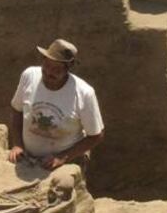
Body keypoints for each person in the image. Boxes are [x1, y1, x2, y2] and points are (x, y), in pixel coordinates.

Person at [8, 39, 105, 170]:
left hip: (66, 161)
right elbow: (17, 110)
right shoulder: (29, 76)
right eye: (47, 65)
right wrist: (18, 144)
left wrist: (62, 157)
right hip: (28, 157)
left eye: (56, 69)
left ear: (68, 68)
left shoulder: (84, 93)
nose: (49, 72)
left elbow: (95, 135)